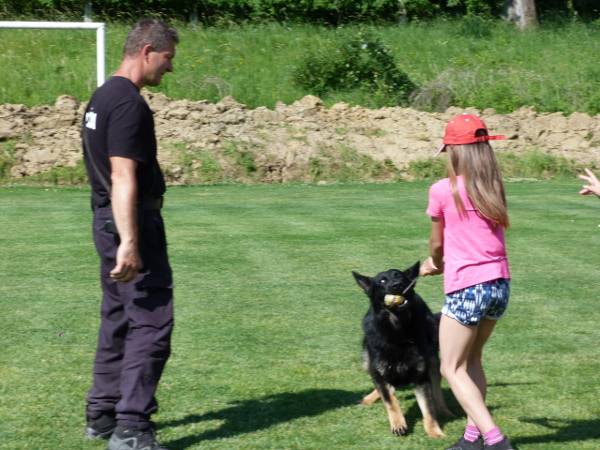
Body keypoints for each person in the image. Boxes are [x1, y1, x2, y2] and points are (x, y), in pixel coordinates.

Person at [82, 18, 178, 450]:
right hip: (129, 222)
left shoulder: (102, 96)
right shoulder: (127, 104)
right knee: (151, 322)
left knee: (118, 317)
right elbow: (122, 175)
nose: (169, 67)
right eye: (167, 58)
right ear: (146, 51)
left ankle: (101, 414)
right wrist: (131, 241)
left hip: (106, 219)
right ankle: (131, 428)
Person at [419, 114, 515, 450]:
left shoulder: (442, 190)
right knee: (472, 360)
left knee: (451, 367)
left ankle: (495, 440)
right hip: (499, 285)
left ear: (455, 151)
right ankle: (472, 438)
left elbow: (437, 244)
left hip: (467, 287)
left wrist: (435, 263)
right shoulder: (493, 186)